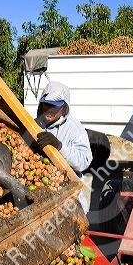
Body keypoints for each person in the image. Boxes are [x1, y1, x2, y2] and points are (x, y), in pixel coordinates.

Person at [36, 81, 92, 213]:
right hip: (44, 199)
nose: (49, 110)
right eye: (47, 105)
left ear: (64, 108)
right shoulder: (36, 125)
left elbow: (84, 161)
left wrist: (59, 146)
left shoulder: (74, 128)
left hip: (70, 202)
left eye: (54, 107)